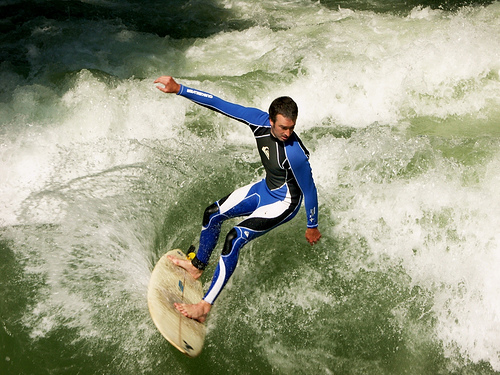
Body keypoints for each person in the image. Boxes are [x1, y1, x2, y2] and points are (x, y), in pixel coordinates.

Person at [155, 76, 321, 322]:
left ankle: (204, 306)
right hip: (265, 188)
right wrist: (180, 89)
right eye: (283, 127)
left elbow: (310, 190)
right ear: (271, 119)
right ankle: (197, 266)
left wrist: (312, 225)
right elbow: (221, 105)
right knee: (212, 214)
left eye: (292, 128)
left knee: (234, 238)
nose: (288, 133)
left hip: (284, 202)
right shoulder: (258, 122)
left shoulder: (294, 154)